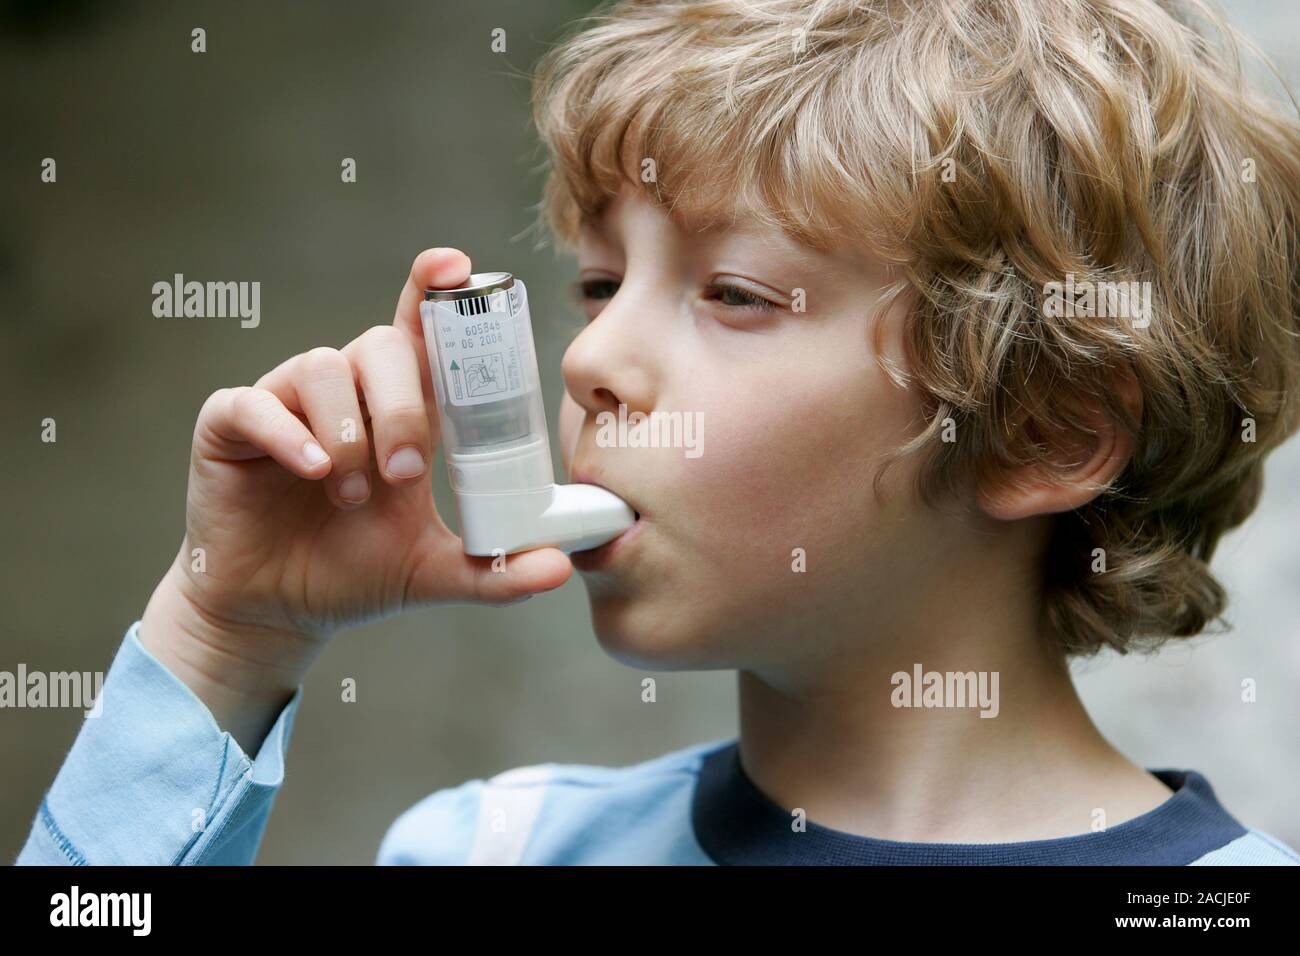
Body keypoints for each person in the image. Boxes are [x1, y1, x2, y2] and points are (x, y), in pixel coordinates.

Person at [18, 0, 1300, 865]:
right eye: (594, 281)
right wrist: (223, 637)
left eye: (732, 292)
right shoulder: (493, 851)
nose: (586, 359)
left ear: (1044, 430)